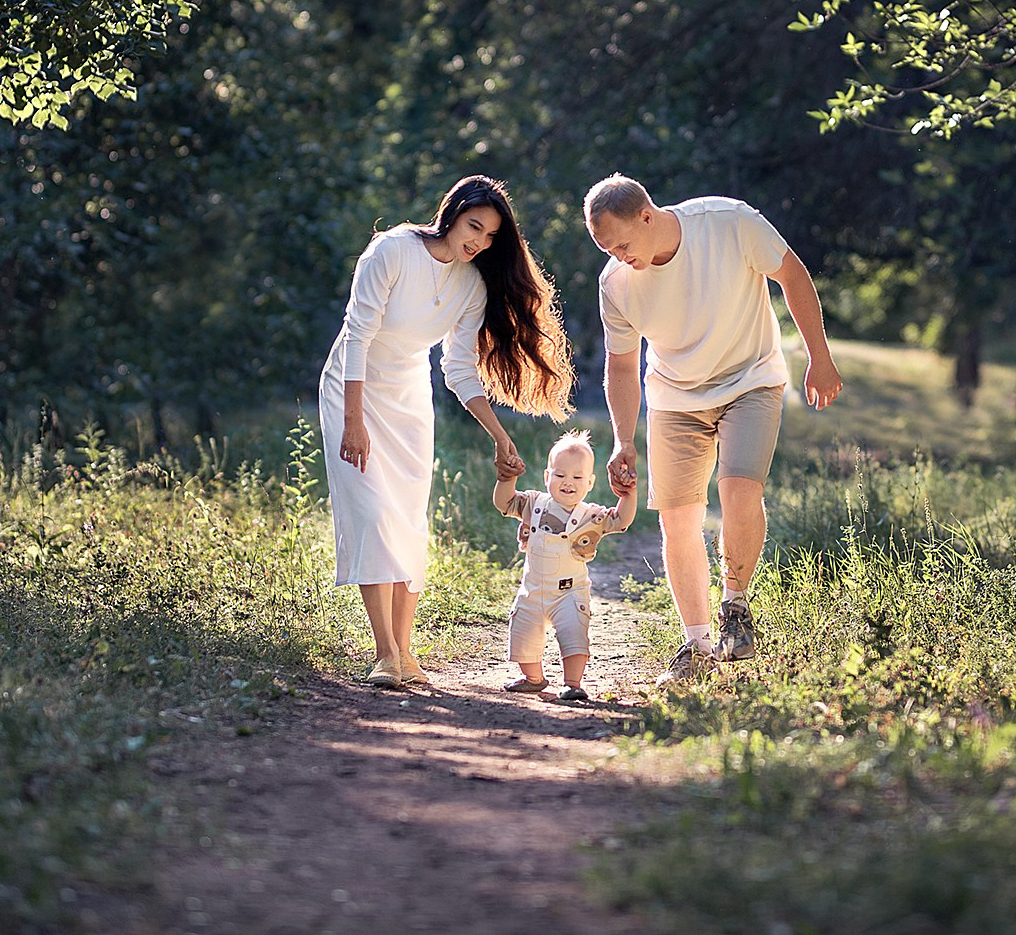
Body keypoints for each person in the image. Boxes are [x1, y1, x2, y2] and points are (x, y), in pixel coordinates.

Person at [585, 173, 842, 685]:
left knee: (740, 490)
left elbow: (793, 275)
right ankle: (697, 643)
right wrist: (621, 438)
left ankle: (736, 607)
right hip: (675, 397)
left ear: (647, 215)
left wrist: (820, 357)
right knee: (678, 518)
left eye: (622, 243)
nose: (617, 256)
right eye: (605, 248)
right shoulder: (615, 284)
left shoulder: (728, 222)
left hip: (750, 379)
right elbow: (620, 365)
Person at [320, 175, 573, 689]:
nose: (477, 241)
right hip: (353, 390)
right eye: (473, 226)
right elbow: (358, 334)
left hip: (410, 398)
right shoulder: (390, 250)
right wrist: (354, 420)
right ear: (452, 213)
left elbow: (458, 369)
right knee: (371, 512)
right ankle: (385, 653)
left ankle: (406, 653)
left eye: (488, 236)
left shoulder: (471, 285)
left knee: (408, 521)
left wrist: (499, 436)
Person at [492, 430, 637, 701]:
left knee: (574, 635)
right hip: (532, 589)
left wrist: (628, 494)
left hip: (570, 591)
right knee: (523, 634)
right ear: (548, 476)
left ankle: (573, 682)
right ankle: (533, 677)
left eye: (577, 477)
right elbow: (503, 502)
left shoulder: (592, 515)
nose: (567, 482)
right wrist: (507, 478)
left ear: (590, 482)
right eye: (560, 475)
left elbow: (622, 520)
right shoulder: (533, 504)